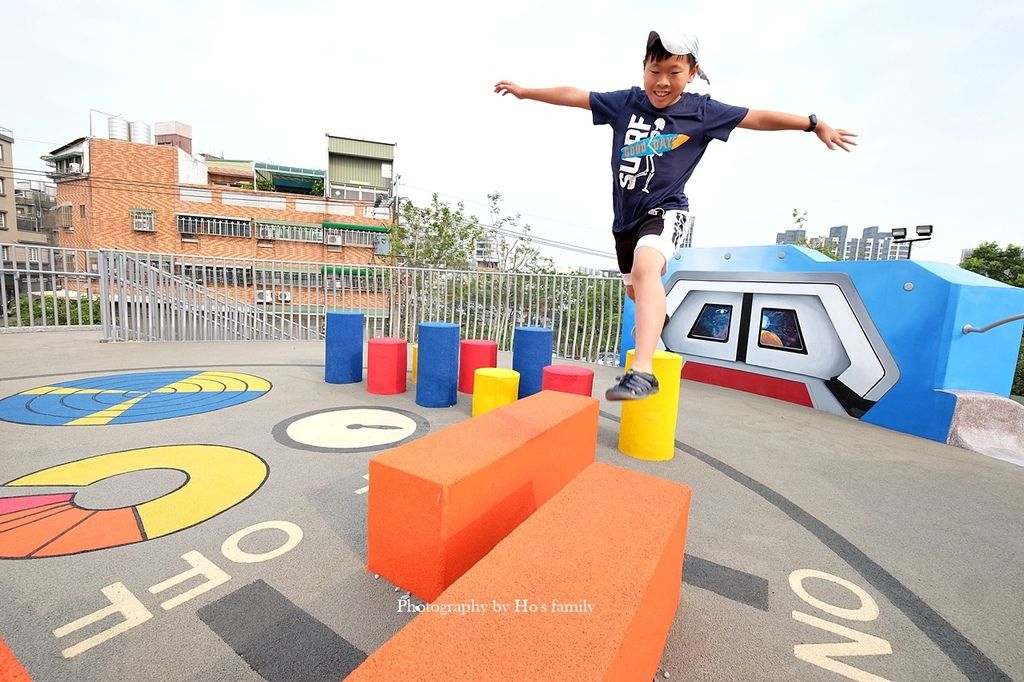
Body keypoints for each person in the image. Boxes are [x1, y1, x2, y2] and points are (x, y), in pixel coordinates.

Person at [495, 29, 857, 400]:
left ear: (693, 72)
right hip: (625, 223)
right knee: (638, 289)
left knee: (646, 269)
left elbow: (758, 118)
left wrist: (812, 123)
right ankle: (658, 318)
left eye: (673, 72)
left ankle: (642, 374)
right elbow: (576, 96)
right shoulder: (626, 103)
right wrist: (526, 92)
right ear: (643, 70)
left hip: (666, 211)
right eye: (655, 71)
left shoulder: (702, 111)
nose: (662, 82)